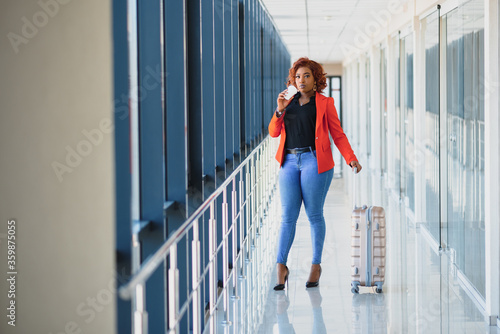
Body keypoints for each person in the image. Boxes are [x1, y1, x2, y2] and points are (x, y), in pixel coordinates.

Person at [268, 57, 362, 290]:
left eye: (306, 76)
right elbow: (273, 133)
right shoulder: (287, 102)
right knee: (288, 216)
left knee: (314, 215)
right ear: (293, 80)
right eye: (297, 76)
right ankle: (281, 266)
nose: (301, 80)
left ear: (315, 79)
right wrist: (279, 110)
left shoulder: (325, 103)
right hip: (288, 161)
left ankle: (316, 264)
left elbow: (337, 135)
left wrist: (350, 158)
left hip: (314, 161)